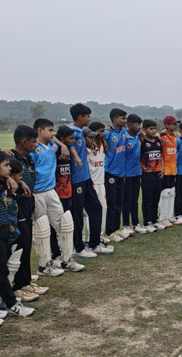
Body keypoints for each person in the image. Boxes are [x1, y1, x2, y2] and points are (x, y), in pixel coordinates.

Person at [0, 149, 35, 317]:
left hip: (5, 229)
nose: (9, 168)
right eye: (5, 165)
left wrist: (16, 181)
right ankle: (11, 303)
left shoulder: (4, 184)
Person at [30, 120, 81, 275]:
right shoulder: (34, 148)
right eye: (50, 130)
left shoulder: (53, 145)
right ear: (39, 131)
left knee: (64, 224)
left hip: (51, 191)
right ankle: (44, 266)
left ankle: (66, 259)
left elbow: (60, 141)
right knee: (42, 228)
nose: (53, 133)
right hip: (37, 193)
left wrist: (63, 145)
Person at [68, 103, 111, 257]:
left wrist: (100, 139)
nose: (89, 119)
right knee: (78, 215)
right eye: (87, 116)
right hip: (76, 180)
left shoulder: (82, 131)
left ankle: (94, 244)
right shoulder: (71, 132)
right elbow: (58, 137)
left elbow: (95, 135)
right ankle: (78, 248)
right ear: (80, 117)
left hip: (86, 178)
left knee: (97, 208)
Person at [9, 125, 46, 298]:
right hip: (17, 204)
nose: (36, 144)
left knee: (27, 241)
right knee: (20, 243)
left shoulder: (28, 158)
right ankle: (20, 284)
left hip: (28, 202)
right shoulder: (10, 159)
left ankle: (25, 279)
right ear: (23, 142)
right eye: (33, 141)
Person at [104, 109, 128, 241]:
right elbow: (95, 135)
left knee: (119, 202)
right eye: (122, 118)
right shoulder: (108, 132)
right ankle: (109, 231)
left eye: (125, 118)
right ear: (114, 119)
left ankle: (117, 228)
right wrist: (102, 133)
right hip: (110, 173)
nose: (125, 120)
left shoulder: (123, 131)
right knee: (111, 203)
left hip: (121, 173)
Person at [85, 122, 109, 243]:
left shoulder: (103, 145)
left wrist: (103, 141)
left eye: (104, 131)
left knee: (103, 208)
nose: (104, 133)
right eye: (101, 131)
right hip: (92, 183)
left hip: (101, 182)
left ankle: (99, 235)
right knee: (90, 212)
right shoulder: (87, 148)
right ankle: (89, 237)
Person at [140, 119, 165, 231]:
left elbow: (161, 155)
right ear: (145, 129)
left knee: (156, 197)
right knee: (147, 198)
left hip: (158, 173)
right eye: (151, 129)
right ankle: (147, 222)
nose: (154, 131)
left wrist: (162, 168)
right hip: (147, 173)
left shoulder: (158, 141)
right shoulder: (142, 141)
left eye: (155, 128)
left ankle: (155, 220)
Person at [123, 114, 144, 233]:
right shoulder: (124, 136)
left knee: (135, 200)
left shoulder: (138, 136)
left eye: (140, 124)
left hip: (137, 172)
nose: (139, 127)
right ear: (129, 124)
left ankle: (135, 223)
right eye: (137, 124)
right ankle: (126, 225)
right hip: (126, 174)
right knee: (127, 200)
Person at [159, 115, 180, 227]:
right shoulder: (161, 137)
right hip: (165, 169)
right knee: (165, 193)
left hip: (173, 169)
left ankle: (169, 216)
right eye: (173, 123)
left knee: (172, 192)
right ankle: (162, 218)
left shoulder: (176, 136)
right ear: (167, 125)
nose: (175, 125)